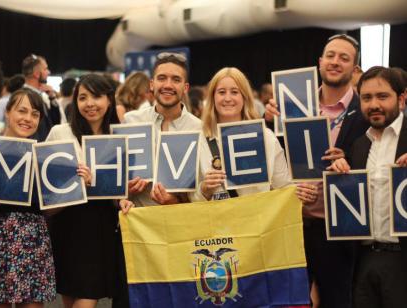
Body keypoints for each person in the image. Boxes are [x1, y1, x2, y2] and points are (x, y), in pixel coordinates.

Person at [265, 33, 370, 308]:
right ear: (320, 62)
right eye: (331, 56)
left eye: (344, 58)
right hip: (294, 224)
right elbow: (274, 161)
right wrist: (267, 122)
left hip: (339, 231)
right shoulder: (291, 106)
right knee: (290, 301)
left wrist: (349, 162)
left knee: (339, 301)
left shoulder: (365, 112)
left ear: (355, 69)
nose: (336, 62)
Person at [46, 74, 131, 308]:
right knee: (71, 297)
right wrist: (74, 184)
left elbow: (117, 191)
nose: (89, 103)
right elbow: (48, 188)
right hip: (67, 223)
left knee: (88, 297)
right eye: (83, 97)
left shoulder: (119, 137)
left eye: (96, 96)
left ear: (109, 100)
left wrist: (122, 200)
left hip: (100, 227)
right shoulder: (60, 133)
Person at [329, 66, 407, 308]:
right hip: (363, 260)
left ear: (402, 98)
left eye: (382, 96)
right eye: (366, 97)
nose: (374, 104)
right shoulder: (358, 145)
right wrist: (340, 171)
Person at [0, 88, 58, 307]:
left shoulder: (44, 157)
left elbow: (48, 208)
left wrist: (77, 187)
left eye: (35, 114)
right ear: (8, 112)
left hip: (33, 239)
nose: (28, 119)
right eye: (22, 111)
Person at [123, 52, 212, 207]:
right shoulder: (131, 121)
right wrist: (124, 193)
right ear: (152, 84)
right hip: (139, 224)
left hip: (182, 223)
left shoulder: (198, 128)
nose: (168, 85)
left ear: (185, 88)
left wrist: (176, 201)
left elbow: (205, 188)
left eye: (176, 79)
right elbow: (117, 179)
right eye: (162, 78)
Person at [200, 67, 291, 199]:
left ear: (245, 97)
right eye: (221, 92)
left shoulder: (265, 137)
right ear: (212, 98)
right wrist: (204, 189)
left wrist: (301, 192)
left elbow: (283, 187)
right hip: (216, 219)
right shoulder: (200, 140)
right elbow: (190, 198)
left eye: (234, 92)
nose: (227, 98)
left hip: (259, 218)